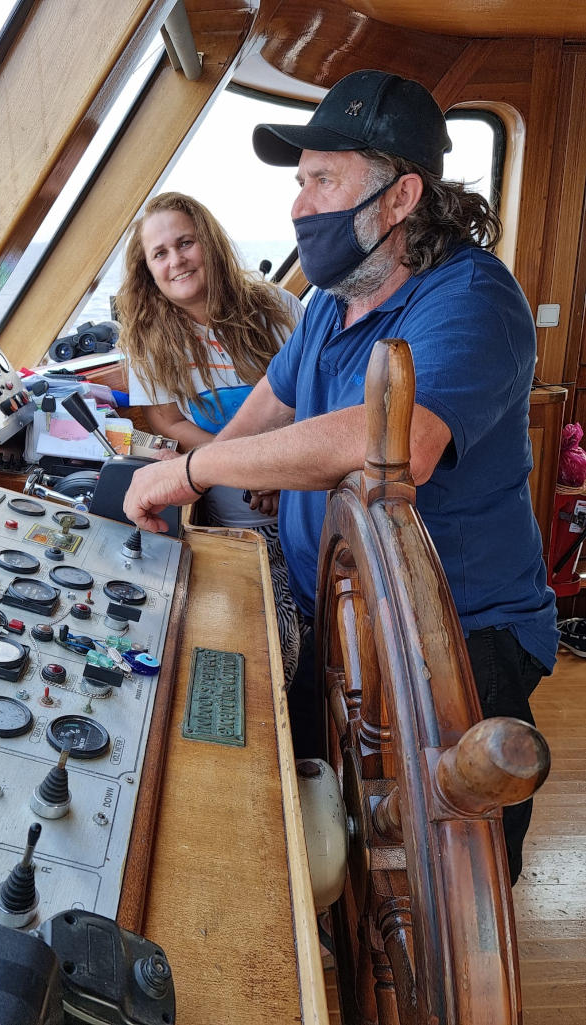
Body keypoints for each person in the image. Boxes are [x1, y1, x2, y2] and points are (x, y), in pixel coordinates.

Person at [123, 70, 559, 885]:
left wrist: (194, 466)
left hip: (453, 633)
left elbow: (393, 439)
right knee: (335, 816)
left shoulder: (472, 299)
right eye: (299, 182)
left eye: (322, 180)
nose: (299, 205)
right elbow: (274, 398)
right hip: (338, 604)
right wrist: (189, 475)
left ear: (400, 198)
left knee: (449, 872)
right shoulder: (333, 297)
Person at [116, 192, 305, 681]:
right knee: (272, 654)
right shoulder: (147, 339)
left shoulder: (278, 308)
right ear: (147, 269)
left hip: (308, 507)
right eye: (160, 253)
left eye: (185, 243)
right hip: (236, 524)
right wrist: (246, 467)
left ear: (210, 243)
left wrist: (280, 470)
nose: (176, 260)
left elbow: (318, 401)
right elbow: (166, 422)